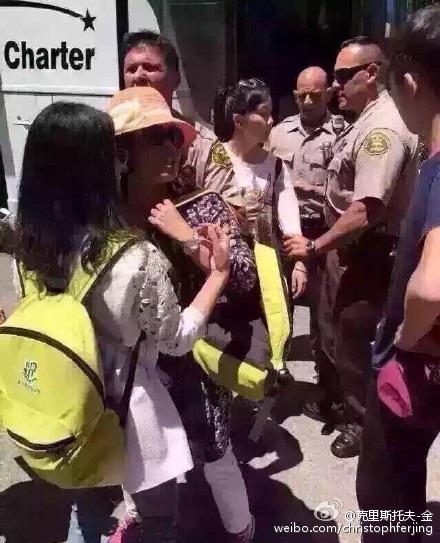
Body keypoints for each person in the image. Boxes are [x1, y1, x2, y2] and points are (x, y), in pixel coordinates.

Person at [12, 99, 230, 543]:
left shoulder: (28, 248)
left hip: (63, 403)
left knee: (88, 508)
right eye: (113, 154)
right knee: (158, 521)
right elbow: (175, 340)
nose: (122, 161)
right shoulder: (134, 256)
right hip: (127, 409)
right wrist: (217, 276)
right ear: (97, 169)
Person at [107, 86, 254, 543]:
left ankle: (242, 529)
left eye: (175, 137)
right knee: (132, 449)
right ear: (122, 153)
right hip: (126, 365)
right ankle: (138, 514)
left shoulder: (200, 203)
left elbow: (244, 277)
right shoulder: (103, 219)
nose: (173, 148)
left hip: (188, 355)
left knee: (214, 450)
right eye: (158, 138)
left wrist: (188, 238)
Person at [284, 36, 419, 458]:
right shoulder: (364, 119)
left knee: (356, 340)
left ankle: (362, 423)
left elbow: (366, 209)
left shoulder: (381, 129)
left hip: (371, 252)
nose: (334, 86)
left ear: (372, 74)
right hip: (353, 249)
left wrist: (315, 246)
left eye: (343, 76)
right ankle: (347, 404)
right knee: (338, 334)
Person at [356, 7, 440, 541]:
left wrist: (401, 343)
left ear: (410, 82)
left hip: (416, 370)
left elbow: (432, 287)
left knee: (384, 500)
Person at [269, 67, 346, 427]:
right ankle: (274, 375)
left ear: (328, 94)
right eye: (302, 95)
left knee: (323, 314)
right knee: (275, 305)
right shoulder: (279, 133)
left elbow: (348, 189)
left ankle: (327, 387)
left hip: (322, 232)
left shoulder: (343, 134)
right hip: (284, 232)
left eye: (315, 94)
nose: (308, 101)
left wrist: (312, 190)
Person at [121, 29, 241, 206]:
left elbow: (233, 211)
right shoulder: (108, 138)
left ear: (176, 78)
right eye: (131, 69)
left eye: (150, 68)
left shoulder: (202, 146)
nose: (139, 76)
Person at [214, 78, 306, 295]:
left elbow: (289, 218)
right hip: (223, 269)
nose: (271, 121)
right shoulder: (214, 159)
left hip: (266, 269)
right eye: (263, 114)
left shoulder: (275, 166)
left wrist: (299, 262)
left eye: (271, 113)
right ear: (239, 121)